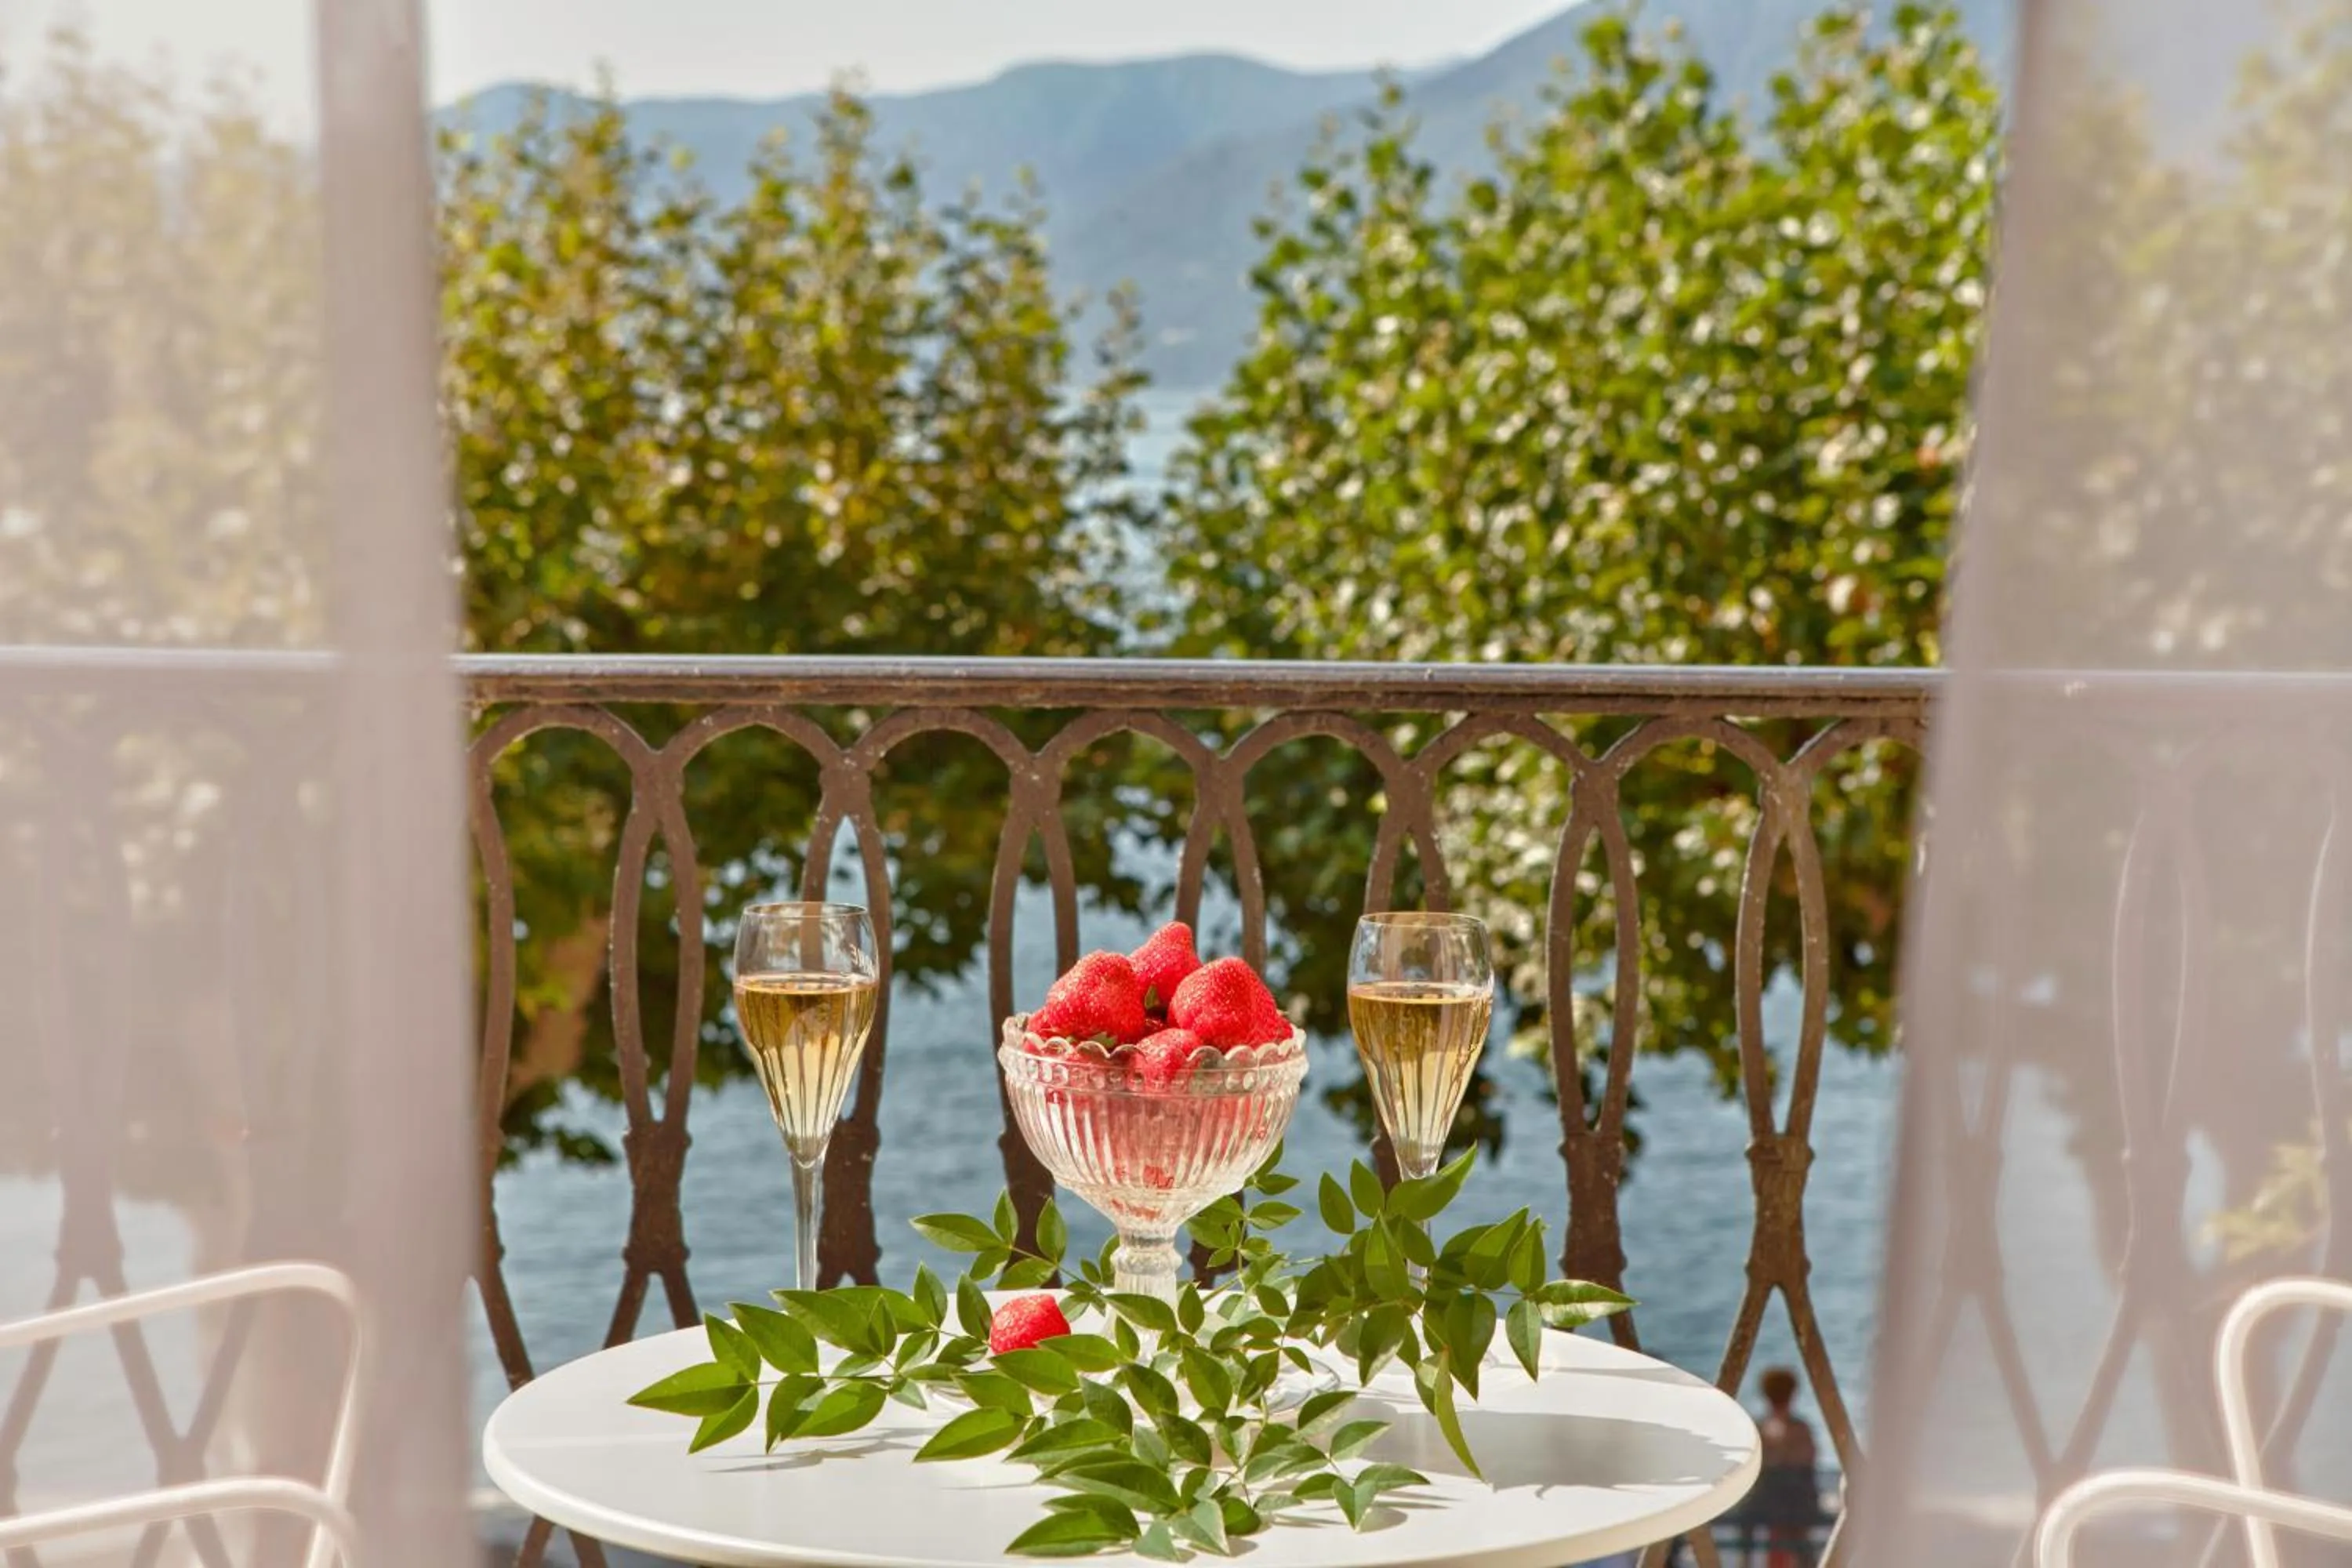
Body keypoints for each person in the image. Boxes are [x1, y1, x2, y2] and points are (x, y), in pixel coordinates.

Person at [1751, 1367, 1821, 1566]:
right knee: (1785, 1515)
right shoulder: (1800, 1427)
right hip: (1791, 1502)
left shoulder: (1760, 1427)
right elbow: (1809, 1459)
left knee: (1782, 1513)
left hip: (1783, 1502)